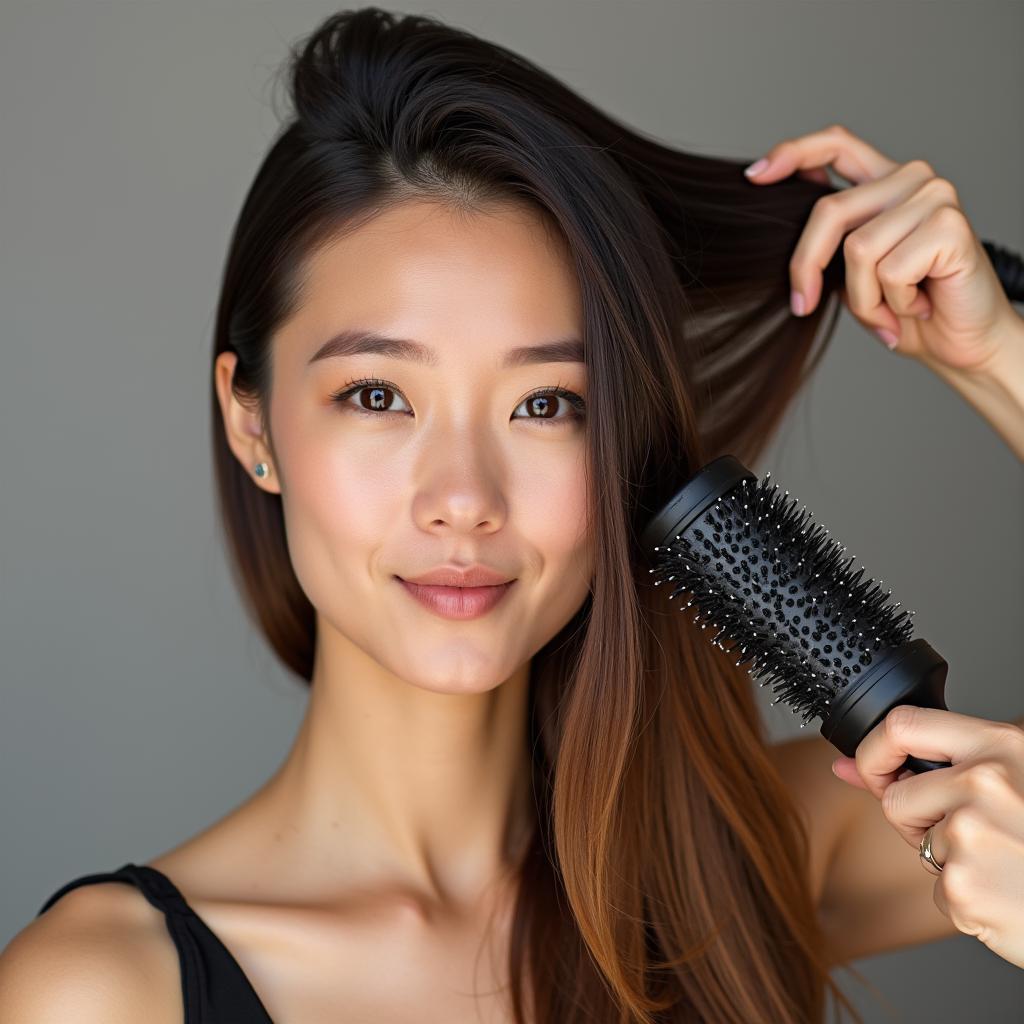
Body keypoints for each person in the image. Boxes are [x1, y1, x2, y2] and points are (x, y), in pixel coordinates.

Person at [3, 8, 1023, 1023]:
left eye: (544, 405)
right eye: (377, 395)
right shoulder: (103, 992)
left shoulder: (750, 861)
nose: (463, 500)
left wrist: (998, 363)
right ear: (251, 420)